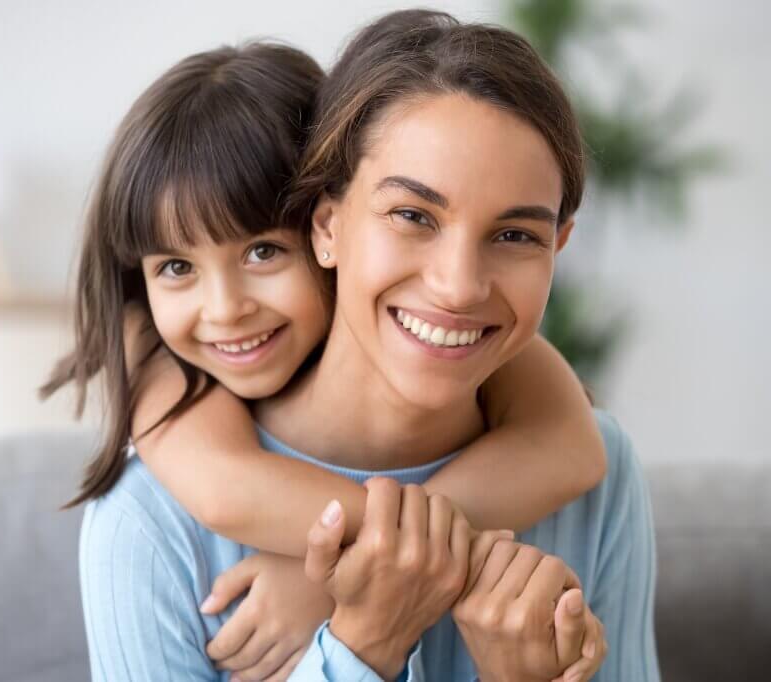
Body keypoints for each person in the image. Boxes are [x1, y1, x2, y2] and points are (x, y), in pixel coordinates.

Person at [55, 11, 658, 681]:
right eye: (412, 216)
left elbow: (569, 434)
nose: (458, 288)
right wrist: (362, 641)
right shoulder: (150, 519)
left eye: (515, 235)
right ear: (326, 226)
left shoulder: (596, 478)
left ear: (557, 247)